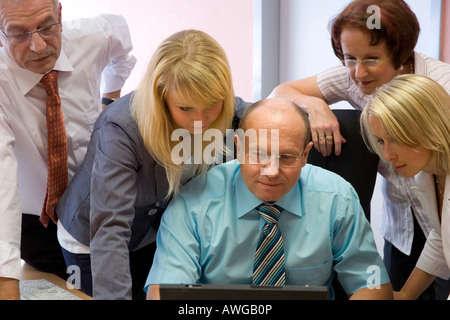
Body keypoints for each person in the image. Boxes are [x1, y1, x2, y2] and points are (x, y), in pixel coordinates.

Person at [269, 0, 450, 299]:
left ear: (400, 52)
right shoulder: (354, 76)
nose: (358, 72)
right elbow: (440, 236)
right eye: (349, 58)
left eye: (372, 59)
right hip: (406, 227)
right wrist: (314, 105)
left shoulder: (439, 89)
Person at [55, 29, 250, 300]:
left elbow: (266, 117)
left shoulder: (225, 109)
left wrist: (306, 101)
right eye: (185, 109)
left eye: (212, 105)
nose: (201, 122)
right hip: (93, 239)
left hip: (151, 231)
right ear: (160, 94)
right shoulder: (121, 129)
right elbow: (110, 229)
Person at [146, 97, 393, 300]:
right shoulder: (192, 205)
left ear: (306, 154)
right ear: (239, 148)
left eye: (286, 157)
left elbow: (371, 282)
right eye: (259, 154)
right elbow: (164, 292)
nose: (272, 171)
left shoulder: (337, 199)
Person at [0, 0, 135, 300]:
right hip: (37, 226)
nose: (37, 45)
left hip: (98, 210)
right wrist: (5, 279)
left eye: (46, 27)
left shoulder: (92, 37)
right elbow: (2, 183)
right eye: (18, 33)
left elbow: (123, 50)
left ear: (60, 14)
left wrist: (109, 102)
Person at [360, 74, 450, 299]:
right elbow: (442, 237)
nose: (388, 155)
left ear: (430, 127)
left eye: (397, 138)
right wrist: (407, 294)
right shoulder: (428, 173)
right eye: (381, 141)